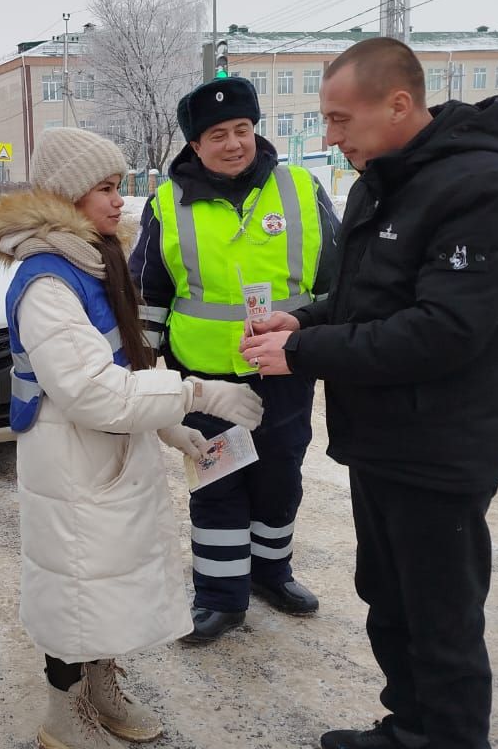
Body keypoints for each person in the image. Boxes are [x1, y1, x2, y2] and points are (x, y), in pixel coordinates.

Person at [243, 37, 498, 749]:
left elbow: (444, 330)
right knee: (388, 599)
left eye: (342, 118)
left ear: (398, 105)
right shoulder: (386, 181)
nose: (332, 136)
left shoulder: (483, 189)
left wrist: (301, 350)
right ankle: (411, 734)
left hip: (441, 451)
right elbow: (361, 298)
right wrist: (300, 317)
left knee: (443, 620)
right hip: (381, 440)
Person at [0, 127, 265, 749]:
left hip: (106, 460)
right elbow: (95, 393)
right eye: (106, 188)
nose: (120, 201)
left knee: (101, 589)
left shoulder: (92, 259)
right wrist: (195, 392)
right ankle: (62, 715)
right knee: (75, 591)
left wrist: (173, 431)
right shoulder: (48, 282)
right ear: (68, 196)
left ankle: (99, 686)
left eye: (119, 186)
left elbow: (126, 361)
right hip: (73, 467)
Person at [129, 76, 340, 643]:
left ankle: (272, 572)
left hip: (284, 369)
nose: (233, 143)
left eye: (241, 129)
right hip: (205, 379)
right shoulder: (168, 203)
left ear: (255, 130)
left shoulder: (299, 187)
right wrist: (144, 371)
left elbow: (339, 283)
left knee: (280, 475)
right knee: (217, 478)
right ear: (195, 146)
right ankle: (221, 596)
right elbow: (146, 293)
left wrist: (318, 343)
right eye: (216, 134)